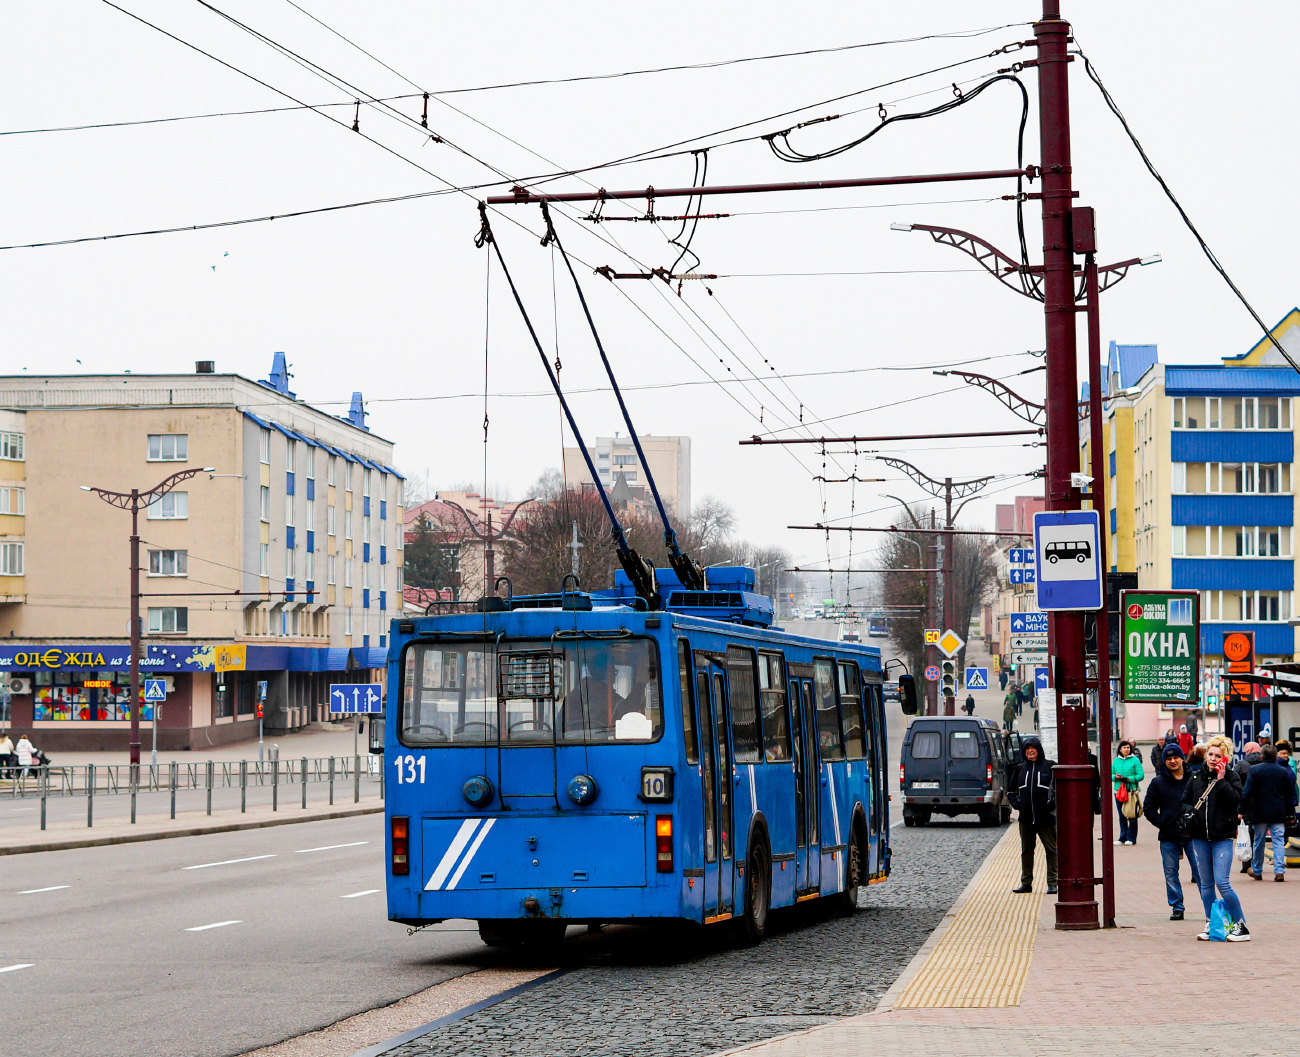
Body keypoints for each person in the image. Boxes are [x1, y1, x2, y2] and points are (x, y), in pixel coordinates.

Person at [1182, 734, 1249, 941]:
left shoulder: (1232, 777)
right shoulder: (1195, 777)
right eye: (1210, 754)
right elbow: (1185, 801)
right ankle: (1212, 922)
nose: (1212, 758)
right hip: (1200, 836)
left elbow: (1235, 802)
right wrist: (1188, 813)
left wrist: (1220, 781)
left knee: (1222, 882)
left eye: (1217, 755)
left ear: (1225, 757)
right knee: (1206, 884)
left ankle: (1241, 926)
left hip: (1223, 837)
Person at [1143, 742, 1201, 920]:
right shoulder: (1158, 782)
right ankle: (1177, 907)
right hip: (1169, 835)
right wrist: (1162, 822)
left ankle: (1210, 904)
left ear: (1182, 758)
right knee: (1170, 872)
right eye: (1169, 759)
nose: (1173, 761)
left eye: (1176, 757)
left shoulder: (1195, 779)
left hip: (1193, 834)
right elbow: (1148, 807)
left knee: (1200, 871)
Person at [1240, 743, 1297, 881]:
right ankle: (1279, 871)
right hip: (1278, 812)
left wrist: (1241, 809)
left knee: (1259, 842)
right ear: (1275, 756)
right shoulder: (1282, 771)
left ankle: (1257, 870)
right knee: (1278, 841)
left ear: (1262, 756)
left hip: (1259, 812)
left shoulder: (1255, 770)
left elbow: (1247, 791)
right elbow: (1290, 792)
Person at [1008, 735, 1058, 895]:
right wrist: (1017, 805)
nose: (1030, 751)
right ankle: (1026, 883)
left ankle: (1052, 883)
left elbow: (1059, 790)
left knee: (1051, 850)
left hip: (1046, 818)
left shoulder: (1050, 767)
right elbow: (1010, 791)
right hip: (1026, 819)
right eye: (1027, 749)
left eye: (1033, 748)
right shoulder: (1020, 769)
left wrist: (1050, 806)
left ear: (1038, 750)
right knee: (1026, 851)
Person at [1234, 742, 1264, 874]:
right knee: (1259, 835)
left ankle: (1247, 863)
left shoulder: (1241, 765)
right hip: (1262, 803)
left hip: (1246, 803)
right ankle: (1258, 863)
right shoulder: (1265, 764)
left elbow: (1234, 782)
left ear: (1247, 750)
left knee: (1246, 832)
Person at [1113, 739, 1145, 845]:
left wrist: (1129, 779)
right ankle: (1122, 837)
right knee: (1121, 815)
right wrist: (1115, 777)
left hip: (1131, 791)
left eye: (1128, 747)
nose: (1126, 749)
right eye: (1124, 747)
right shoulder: (1116, 761)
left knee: (1131, 814)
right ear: (1120, 749)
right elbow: (1110, 774)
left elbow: (1141, 775)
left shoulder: (1135, 760)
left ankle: (1131, 838)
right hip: (1118, 791)